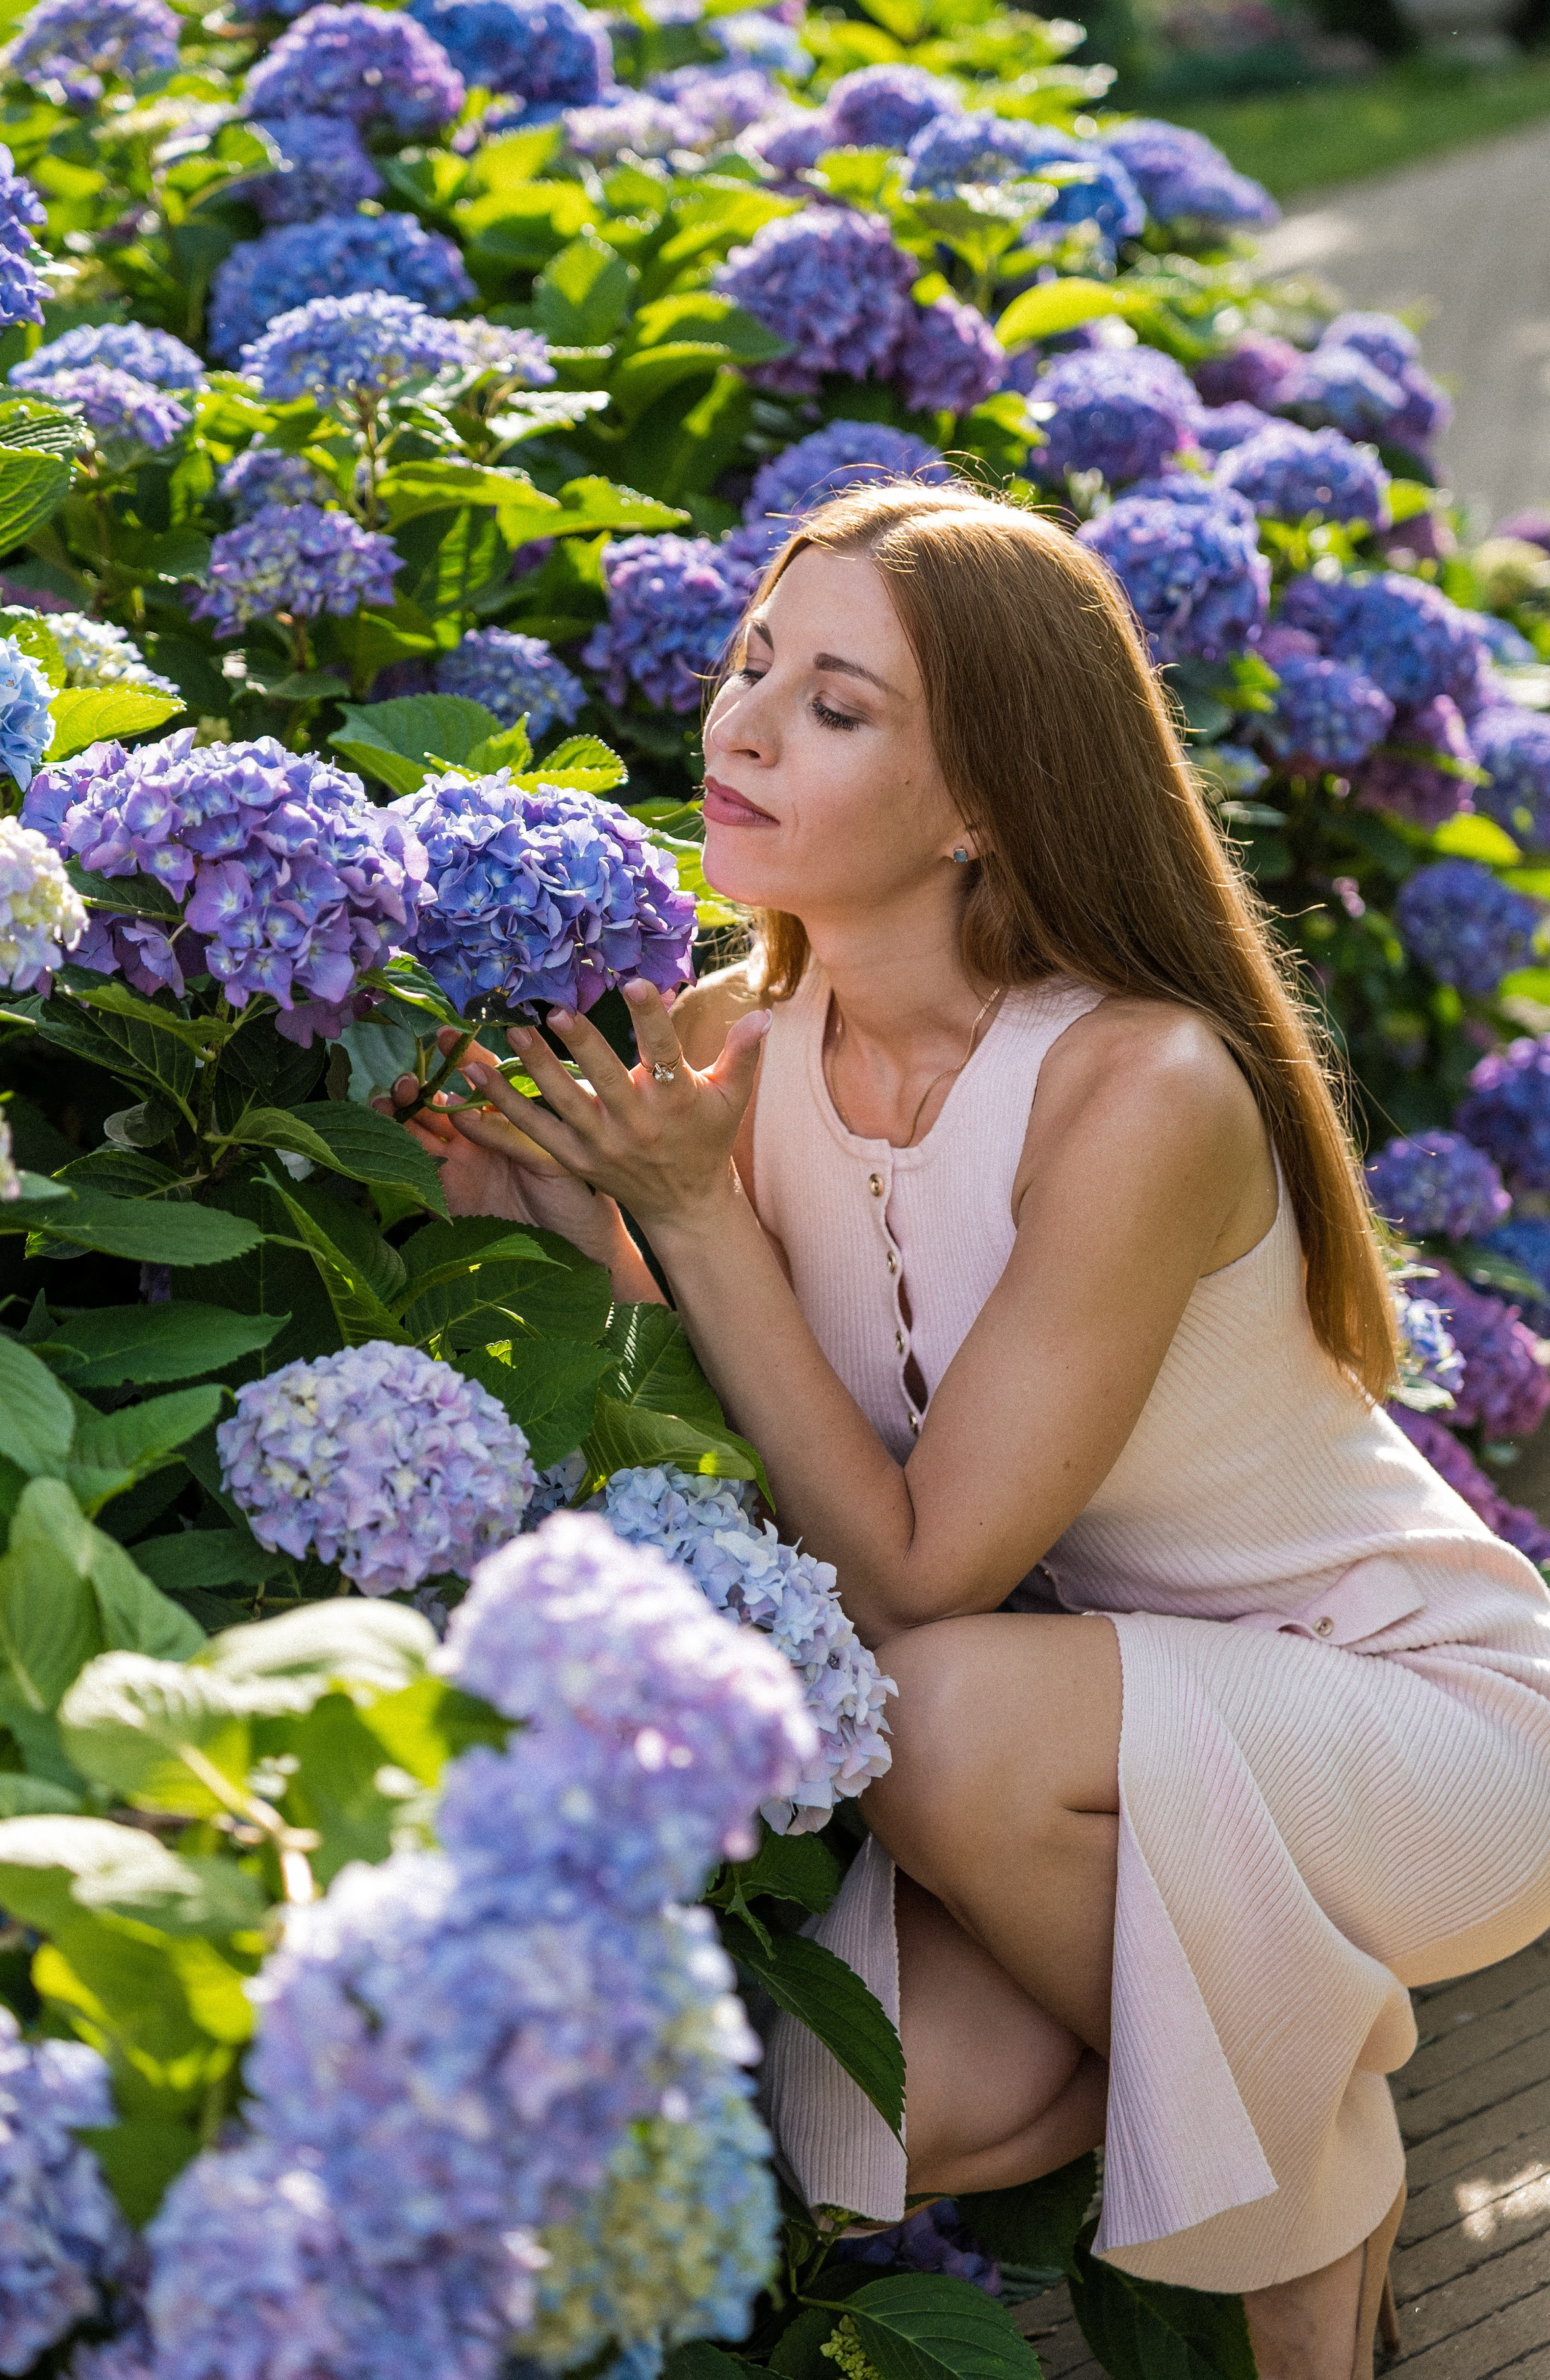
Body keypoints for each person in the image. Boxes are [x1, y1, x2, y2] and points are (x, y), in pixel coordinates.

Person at [378, 483, 1550, 2380]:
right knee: (884, 2098)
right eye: (754, 663)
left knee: (932, 1718)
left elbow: (922, 1572)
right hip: (1082, 1742)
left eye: (838, 706)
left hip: (1409, 1718)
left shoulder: (1137, 1080)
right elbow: (737, 1437)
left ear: (987, 797)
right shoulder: (724, 1051)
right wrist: (520, 1204)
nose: (742, 725)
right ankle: (1285, 2071)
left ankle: (1317, 2266)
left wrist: (684, 1217)